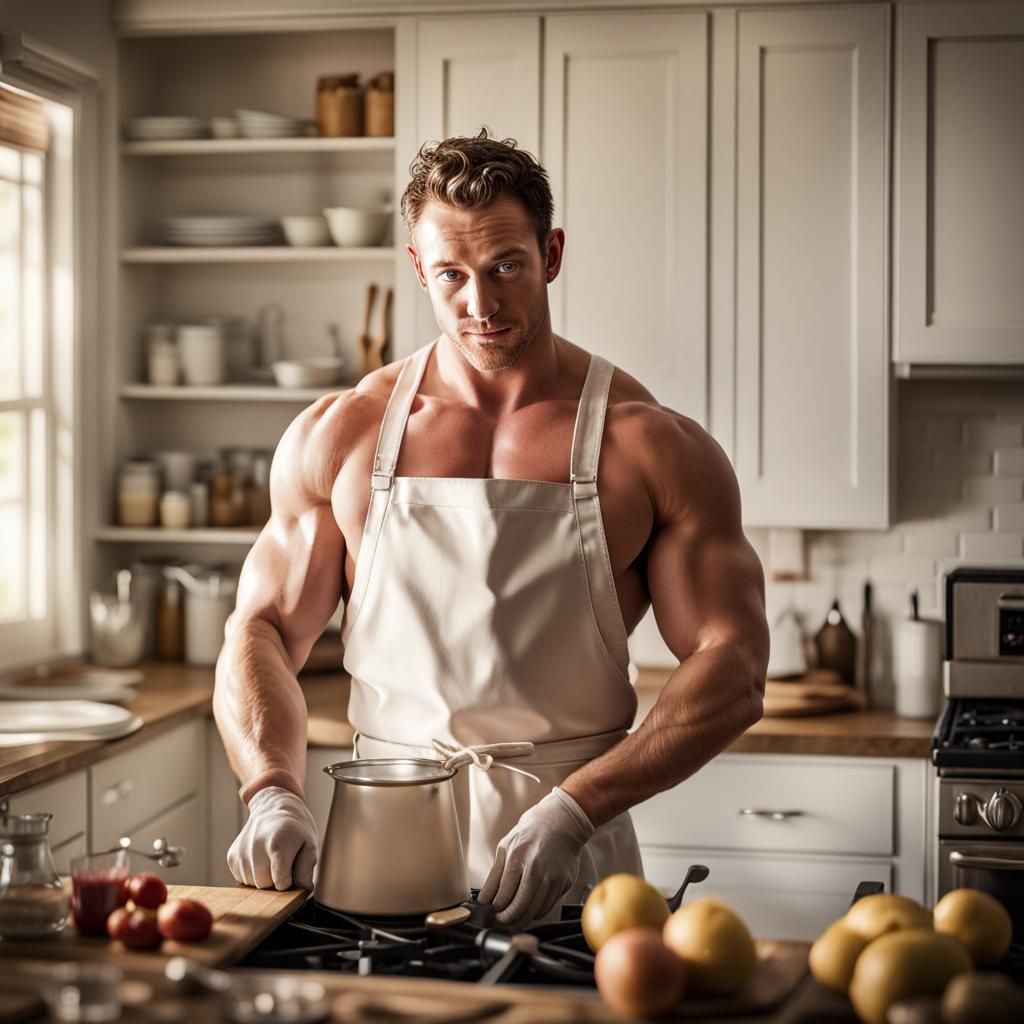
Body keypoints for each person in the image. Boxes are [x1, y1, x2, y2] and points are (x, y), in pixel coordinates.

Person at [214, 130, 769, 927]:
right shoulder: (344, 435)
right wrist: (270, 789)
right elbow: (261, 628)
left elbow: (734, 665)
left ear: (551, 252)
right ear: (417, 268)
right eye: (451, 275)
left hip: (573, 857)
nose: (480, 304)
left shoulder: (645, 442)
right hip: (381, 849)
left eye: (506, 265)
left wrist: (574, 811)